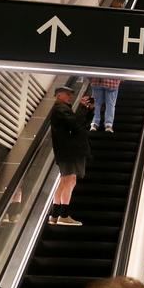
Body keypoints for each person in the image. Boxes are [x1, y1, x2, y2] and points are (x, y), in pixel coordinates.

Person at [49, 84, 94, 226]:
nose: (70, 97)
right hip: (69, 151)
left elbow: (80, 126)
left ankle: (55, 215)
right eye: (67, 94)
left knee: (64, 182)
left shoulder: (62, 109)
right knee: (70, 181)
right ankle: (63, 215)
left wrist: (89, 111)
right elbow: (76, 125)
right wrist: (81, 108)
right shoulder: (60, 109)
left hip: (66, 151)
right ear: (59, 95)